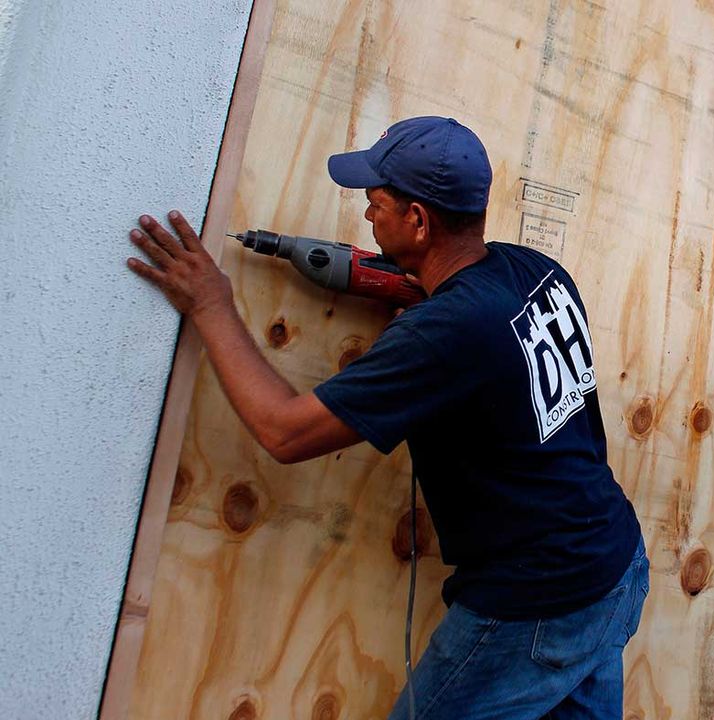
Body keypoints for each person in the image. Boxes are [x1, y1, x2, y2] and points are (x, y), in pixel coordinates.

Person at [127, 116, 647, 720]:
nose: (368, 219)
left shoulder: (444, 332)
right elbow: (496, 365)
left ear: (420, 221)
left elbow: (284, 431)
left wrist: (212, 304)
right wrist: (425, 300)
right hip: (614, 564)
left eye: (376, 205)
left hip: (537, 606)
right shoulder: (536, 270)